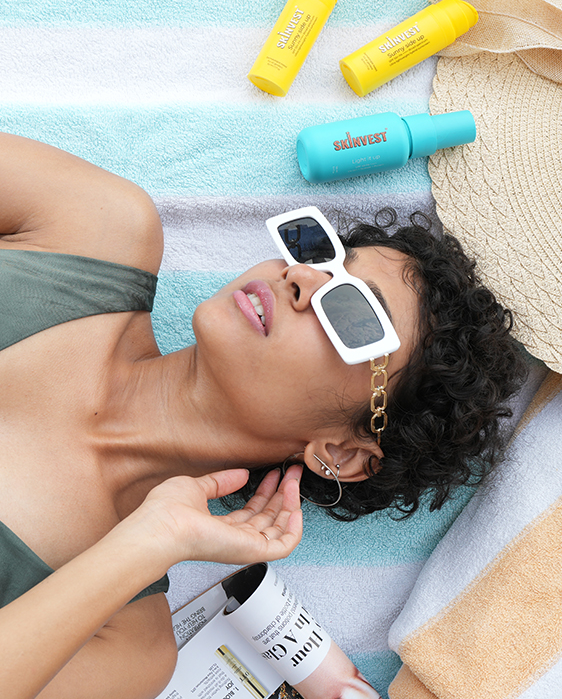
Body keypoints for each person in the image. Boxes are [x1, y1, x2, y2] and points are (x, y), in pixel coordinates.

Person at [0, 132, 528, 699]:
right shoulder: (91, 227)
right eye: (321, 255)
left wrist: (151, 541)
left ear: (342, 452)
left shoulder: (128, 647)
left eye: (354, 312)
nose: (300, 279)